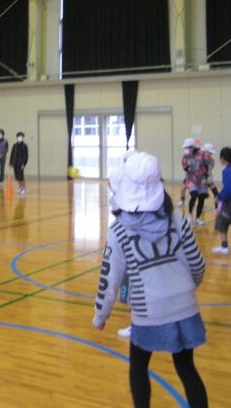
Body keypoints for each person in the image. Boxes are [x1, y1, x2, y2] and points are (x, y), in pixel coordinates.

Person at [92, 151, 208, 408]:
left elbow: (109, 279)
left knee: (138, 367)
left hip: (148, 312)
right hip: (186, 308)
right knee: (187, 368)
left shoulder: (119, 230)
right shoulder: (178, 219)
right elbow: (198, 265)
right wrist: (186, 292)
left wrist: (101, 315)